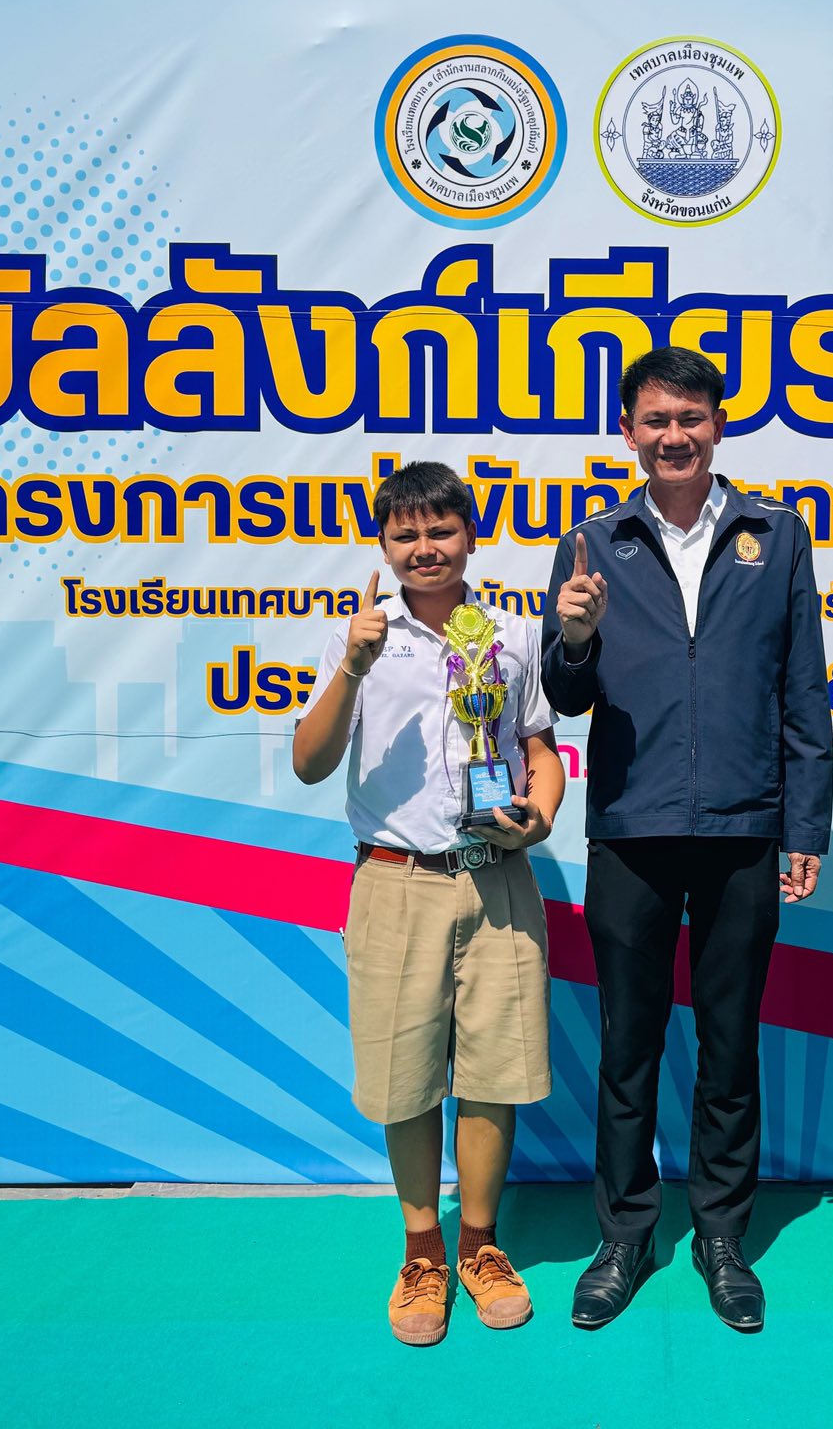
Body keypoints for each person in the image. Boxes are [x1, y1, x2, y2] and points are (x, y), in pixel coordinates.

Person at [540, 345, 833, 1333]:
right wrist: (575, 636)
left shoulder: (775, 536)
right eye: (656, 420)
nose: (674, 436)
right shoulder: (591, 544)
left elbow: (801, 690)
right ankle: (623, 1234)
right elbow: (564, 694)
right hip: (632, 827)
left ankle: (720, 1233)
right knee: (628, 1046)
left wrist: (804, 823)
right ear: (627, 430)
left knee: (729, 1042)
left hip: (744, 829)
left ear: (718, 425)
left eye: (691, 418)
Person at [292, 461, 565, 1347]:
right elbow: (309, 761)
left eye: (440, 530)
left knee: (494, 1075)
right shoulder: (359, 638)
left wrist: (540, 814)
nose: (424, 548)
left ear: (470, 536)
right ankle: (421, 1253)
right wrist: (351, 666)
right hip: (396, 880)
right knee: (406, 1077)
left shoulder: (510, 636)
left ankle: (480, 1245)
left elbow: (539, 749)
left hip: (498, 878)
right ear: (383, 545)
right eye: (404, 534)